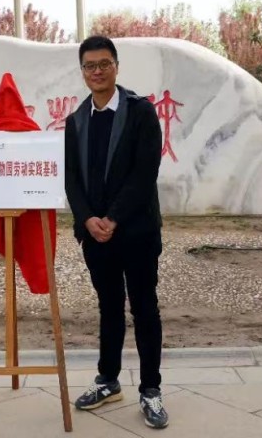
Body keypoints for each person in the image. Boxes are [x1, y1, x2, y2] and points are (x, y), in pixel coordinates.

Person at [64, 36, 168, 429]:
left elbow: (145, 172)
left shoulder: (141, 112)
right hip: (96, 235)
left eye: (104, 64)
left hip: (136, 231)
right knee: (108, 307)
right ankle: (108, 380)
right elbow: (71, 178)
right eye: (90, 66)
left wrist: (114, 217)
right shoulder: (76, 121)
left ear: (116, 66)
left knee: (144, 308)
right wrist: (88, 219)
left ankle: (151, 389)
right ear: (82, 71)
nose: (97, 71)